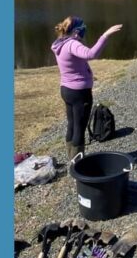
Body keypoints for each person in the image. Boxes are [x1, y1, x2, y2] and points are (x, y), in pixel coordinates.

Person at [50, 17, 123, 163]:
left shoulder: (60, 43)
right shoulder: (72, 44)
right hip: (79, 93)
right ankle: (78, 164)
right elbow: (91, 54)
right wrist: (105, 35)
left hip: (66, 90)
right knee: (79, 128)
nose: (85, 31)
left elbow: (74, 64)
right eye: (83, 28)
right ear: (77, 31)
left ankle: (71, 158)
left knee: (72, 124)